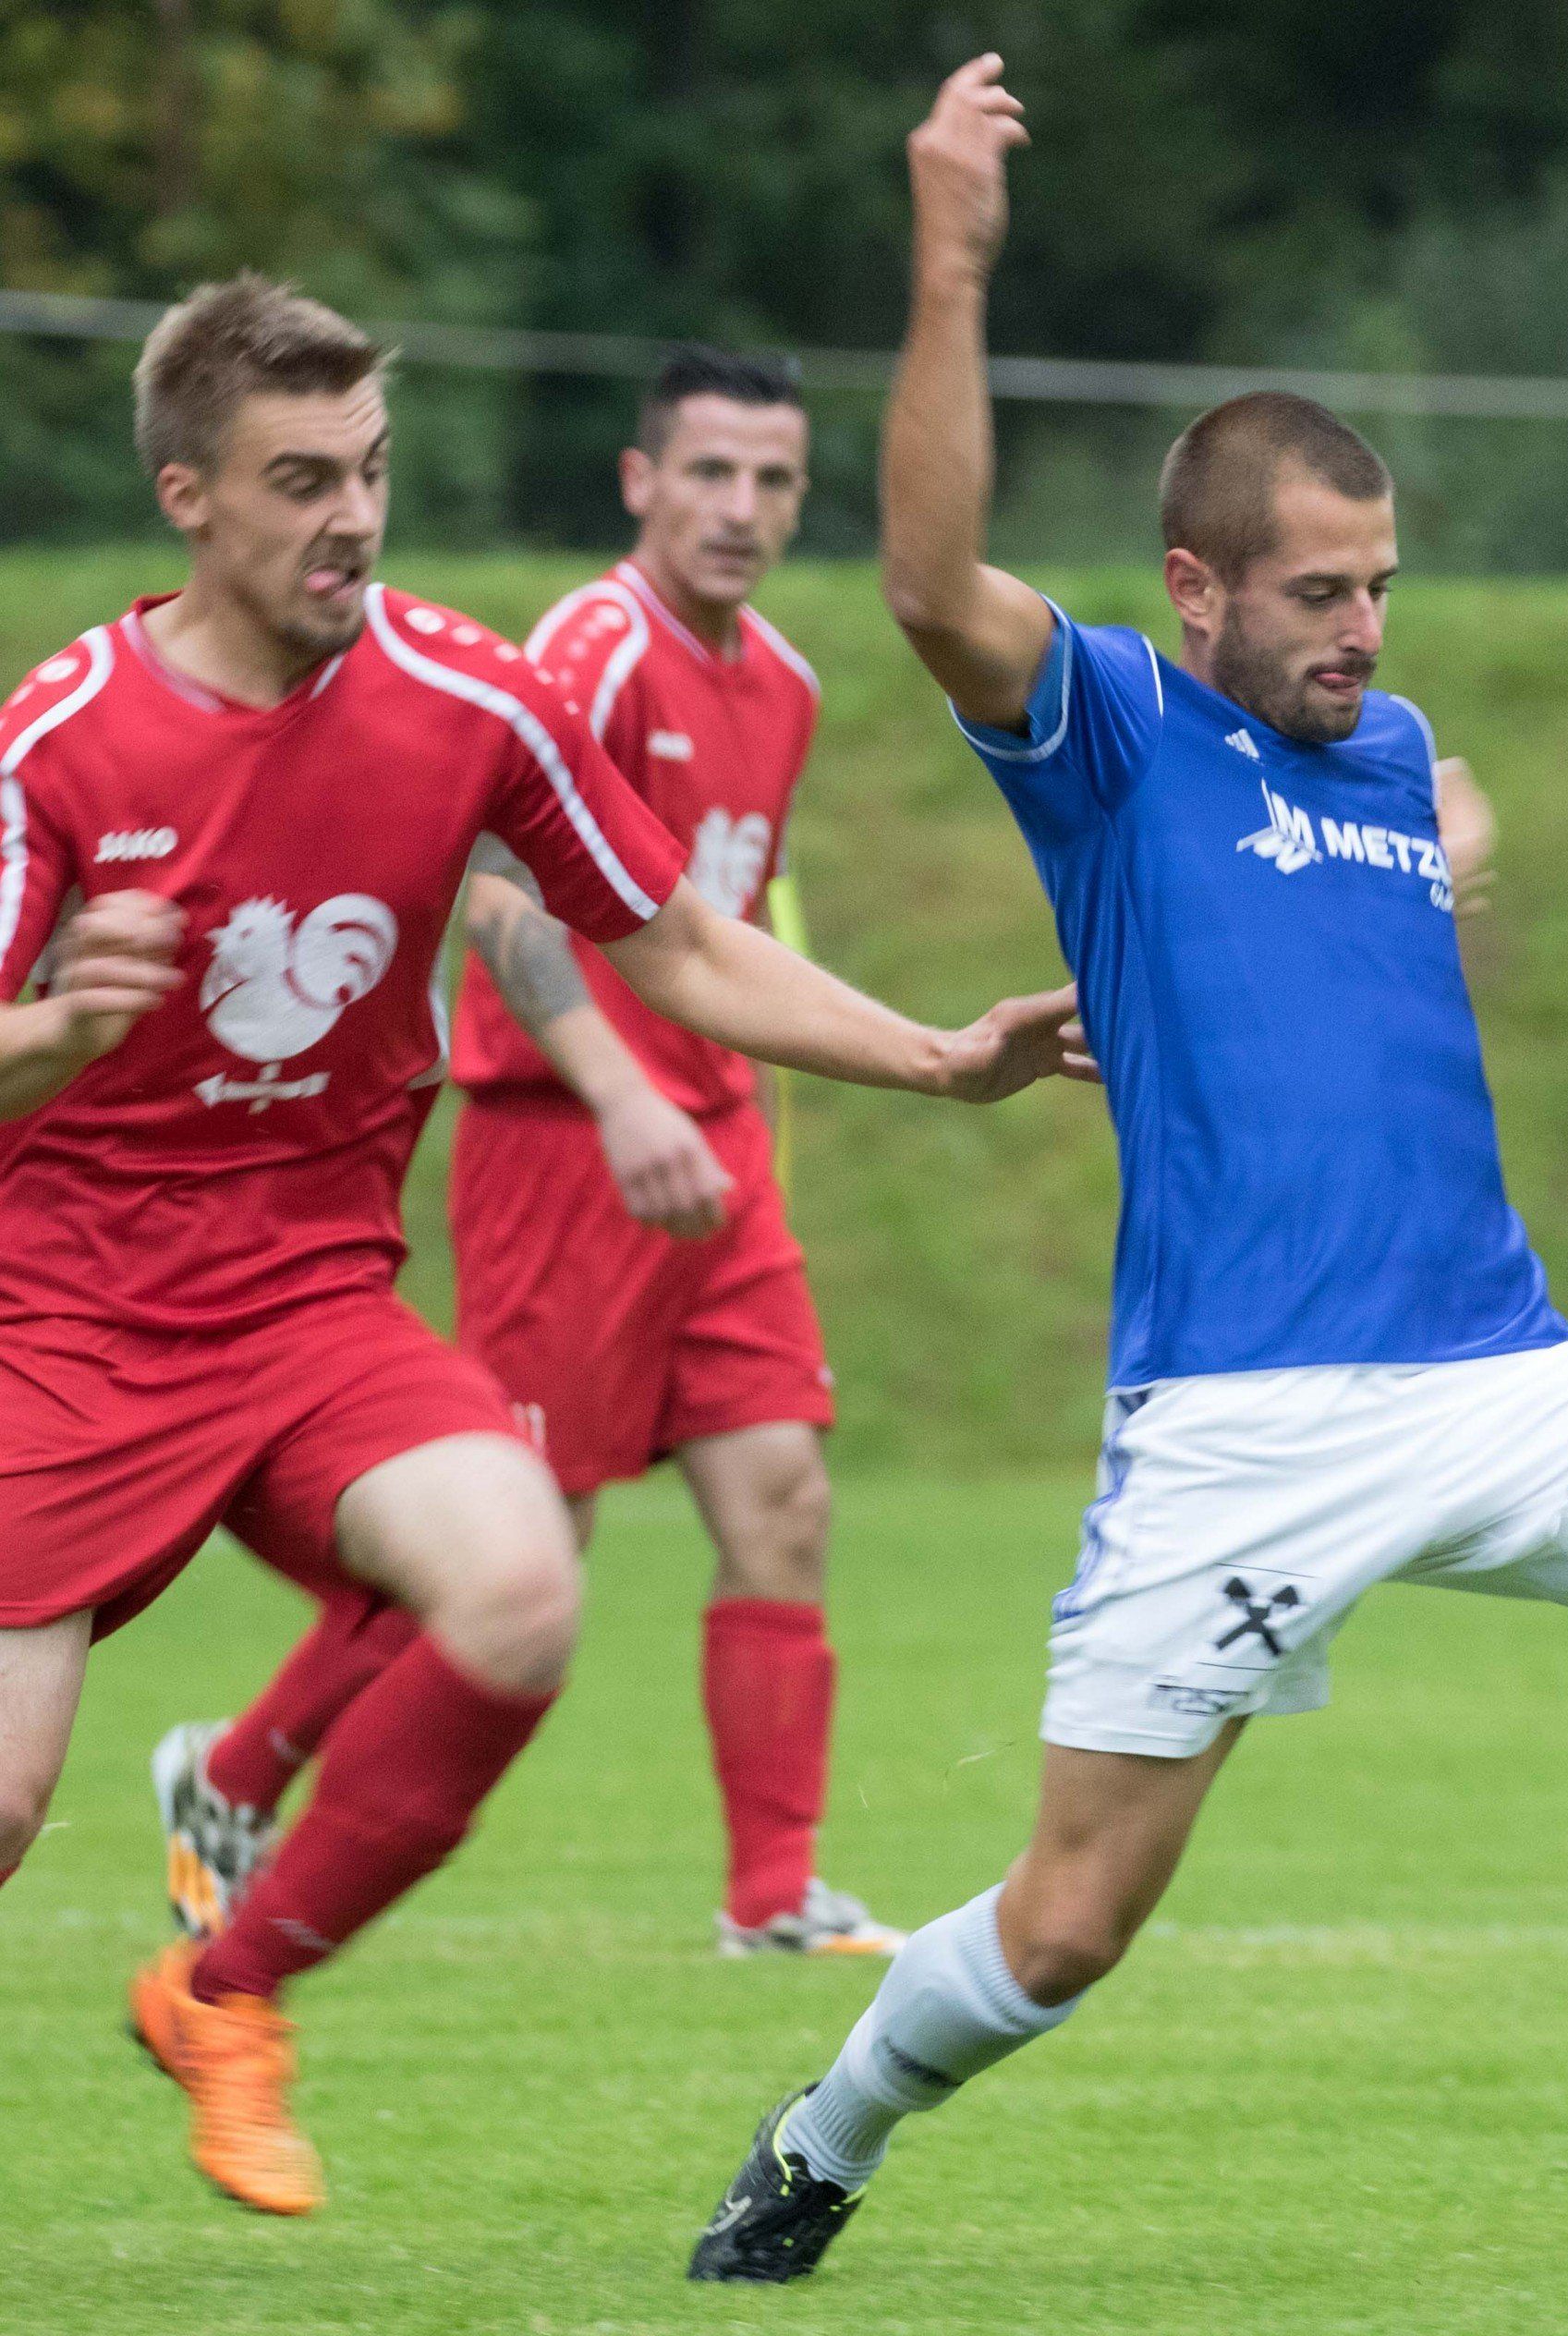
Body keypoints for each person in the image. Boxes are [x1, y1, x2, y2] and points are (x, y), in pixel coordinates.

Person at [687, 55, 1568, 2284]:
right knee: (1067, 1920)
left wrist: (1457, 826)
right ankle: (823, 2131)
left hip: (1502, 1370)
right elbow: (929, 576)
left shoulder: (1389, 744)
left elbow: (1432, 788)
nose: (1361, 629)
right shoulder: (1113, 732)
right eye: (1316, 589)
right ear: (1193, 585)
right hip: (1241, 1422)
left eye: (1381, 587)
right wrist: (949, 255)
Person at [0, 274, 1089, 2219]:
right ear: (188, 495)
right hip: (59, 1325)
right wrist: (65, 1033)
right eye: (301, 479)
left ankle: (224, 1992)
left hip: (313, 1313)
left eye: (374, 472)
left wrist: (934, 1056)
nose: (352, 516)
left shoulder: (465, 697)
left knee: (518, 1582)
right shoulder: (66, 742)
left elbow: (668, 938)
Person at [154, 347, 911, 1962]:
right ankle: (234, 1772)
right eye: (708, 472)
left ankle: (773, 1897)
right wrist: (623, 1095)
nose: (742, 508)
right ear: (641, 482)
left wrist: (724, 1110)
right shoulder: (590, 645)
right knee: (519, 1538)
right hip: (567, 1144)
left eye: (773, 479)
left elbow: (710, 930)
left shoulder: (784, 679)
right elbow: (498, 893)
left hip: (706, 1156)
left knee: (782, 1493)